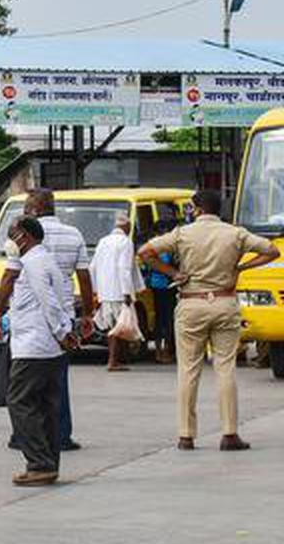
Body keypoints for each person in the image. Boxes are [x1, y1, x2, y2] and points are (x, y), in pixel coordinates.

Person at [138, 189, 280, 452]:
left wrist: (173, 272)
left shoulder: (182, 233)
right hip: (225, 302)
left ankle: (186, 435)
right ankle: (229, 434)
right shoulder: (235, 233)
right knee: (225, 368)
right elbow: (271, 250)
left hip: (192, 303)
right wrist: (242, 268)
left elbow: (146, 252)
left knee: (188, 370)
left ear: (198, 209)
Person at [0, 188, 93, 452]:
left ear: (36, 211)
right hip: (63, 316)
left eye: (27, 207)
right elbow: (84, 277)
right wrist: (87, 313)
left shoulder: (24, 240)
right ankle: (60, 436)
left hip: (32, 321)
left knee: (23, 390)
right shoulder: (74, 234)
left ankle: (25, 438)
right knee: (56, 382)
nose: (25, 212)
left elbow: (9, 277)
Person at [4, 216, 78, 487]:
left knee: (19, 401)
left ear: (25, 236)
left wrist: (61, 332)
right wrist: (65, 330)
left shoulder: (34, 263)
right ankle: (48, 463)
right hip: (47, 346)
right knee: (45, 405)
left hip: (34, 346)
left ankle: (38, 462)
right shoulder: (45, 260)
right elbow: (63, 297)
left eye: (13, 234)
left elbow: (48, 301)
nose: (11, 240)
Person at [90, 213, 144, 372]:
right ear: (127, 227)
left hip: (105, 291)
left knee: (114, 327)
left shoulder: (103, 241)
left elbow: (92, 267)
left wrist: (96, 290)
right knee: (119, 327)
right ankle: (113, 361)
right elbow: (124, 268)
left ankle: (117, 359)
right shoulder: (125, 242)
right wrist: (127, 293)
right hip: (120, 292)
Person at [146, 218, 179, 364]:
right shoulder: (164, 247)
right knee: (166, 320)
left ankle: (160, 351)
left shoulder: (150, 245)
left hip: (155, 286)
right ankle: (163, 352)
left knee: (160, 319)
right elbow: (166, 265)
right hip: (166, 287)